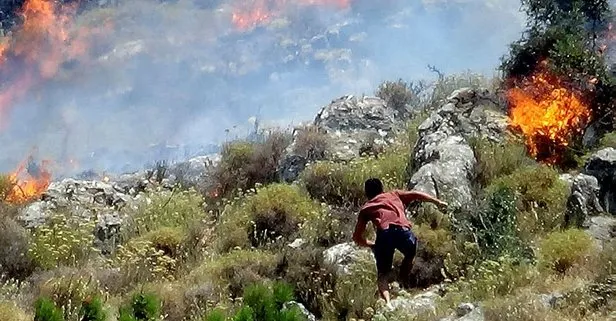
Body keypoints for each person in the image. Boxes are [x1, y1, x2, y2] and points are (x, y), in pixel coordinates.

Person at [352, 178, 448, 308]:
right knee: (410, 253)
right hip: (403, 231)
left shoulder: (367, 208)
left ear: (366, 193)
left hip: (384, 234)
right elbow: (416, 194)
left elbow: (357, 238)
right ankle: (404, 280)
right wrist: (437, 202)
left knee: (383, 274)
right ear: (382, 188)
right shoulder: (394, 194)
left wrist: (372, 244)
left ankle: (388, 303)